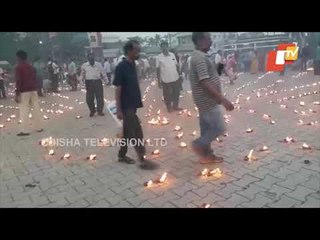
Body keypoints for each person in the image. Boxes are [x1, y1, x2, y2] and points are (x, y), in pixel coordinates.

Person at [113, 40, 159, 170]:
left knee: (128, 132)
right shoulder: (121, 67)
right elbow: (118, 89)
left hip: (132, 105)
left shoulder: (132, 64)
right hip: (126, 106)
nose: (138, 52)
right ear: (129, 51)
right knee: (136, 132)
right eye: (136, 50)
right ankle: (142, 159)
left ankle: (122, 155)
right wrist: (119, 109)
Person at [190, 32, 234, 164]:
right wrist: (223, 100)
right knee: (219, 128)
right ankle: (198, 145)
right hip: (207, 101)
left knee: (207, 130)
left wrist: (220, 67)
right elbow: (204, 82)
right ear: (200, 41)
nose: (211, 42)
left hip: (205, 101)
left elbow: (210, 75)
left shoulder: (202, 57)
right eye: (208, 39)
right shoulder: (199, 58)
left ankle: (206, 156)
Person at [14, 50, 43, 136]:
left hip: (24, 91)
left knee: (24, 110)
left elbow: (18, 81)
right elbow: (35, 78)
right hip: (33, 90)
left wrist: (17, 93)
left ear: (19, 57)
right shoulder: (31, 67)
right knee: (36, 108)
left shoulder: (18, 67)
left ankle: (25, 130)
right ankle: (39, 127)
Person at [156, 41, 183, 112]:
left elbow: (177, 66)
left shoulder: (172, 55)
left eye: (166, 47)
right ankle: (169, 107)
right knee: (167, 95)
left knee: (176, 93)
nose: (165, 49)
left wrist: (180, 75)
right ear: (161, 49)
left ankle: (175, 106)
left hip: (175, 77)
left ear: (168, 47)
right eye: (163, 48)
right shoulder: (158, 57)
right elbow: (158, 70)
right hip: (165, 79)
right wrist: (159, 81)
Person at [81, 53, 107, 117]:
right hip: (89, 83)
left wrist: (106, 80)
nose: (91, 59)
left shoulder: (98, 65)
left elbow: (103, 73)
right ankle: (92, 110)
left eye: (92, 58)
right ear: (88, 59)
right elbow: (82, 75)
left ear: (94, 58)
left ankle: (100, 111)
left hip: (97, 82)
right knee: (89, 99)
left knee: (100, 97)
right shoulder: (84, 65)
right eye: (90, 58)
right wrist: (81, 82)